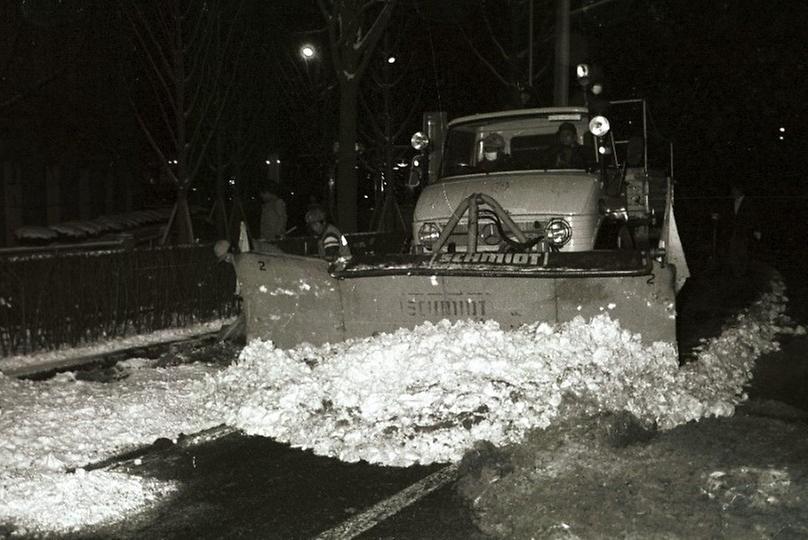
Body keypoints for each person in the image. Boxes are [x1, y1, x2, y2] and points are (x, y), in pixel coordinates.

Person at [722, 182, 762, 278]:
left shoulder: (749, 202)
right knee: (733, 250)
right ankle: (736, 272)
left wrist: (757, 229)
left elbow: (755, 216)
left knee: (743, 252)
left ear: (740, 191)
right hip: (734, 231)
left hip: (745, 231)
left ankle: (742, 272)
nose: (732, 193)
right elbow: (728, 216)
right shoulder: (731, 202)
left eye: (734, 191)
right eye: (732, 191)